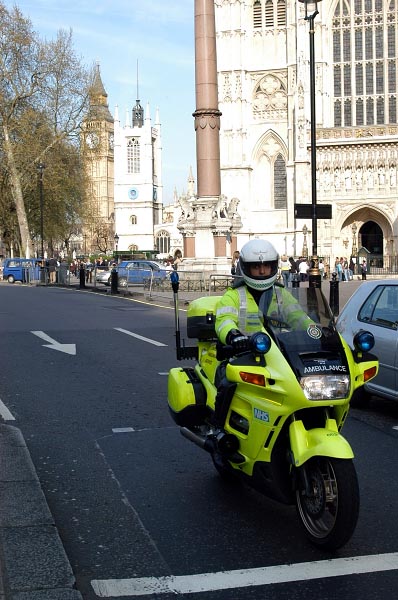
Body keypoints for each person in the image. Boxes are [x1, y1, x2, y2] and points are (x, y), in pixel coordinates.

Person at [213, 239, 313, 429]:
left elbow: (298, 316)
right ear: (246, 268)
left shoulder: (281, 294)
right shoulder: (234, 295)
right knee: (226, 384)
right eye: (256, 266)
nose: (261, 271)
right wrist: (233, 335)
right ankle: (217, 431)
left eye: (266, 266)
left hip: (279, 356)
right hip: (242, 355)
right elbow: (223, 319)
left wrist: (314, 330)